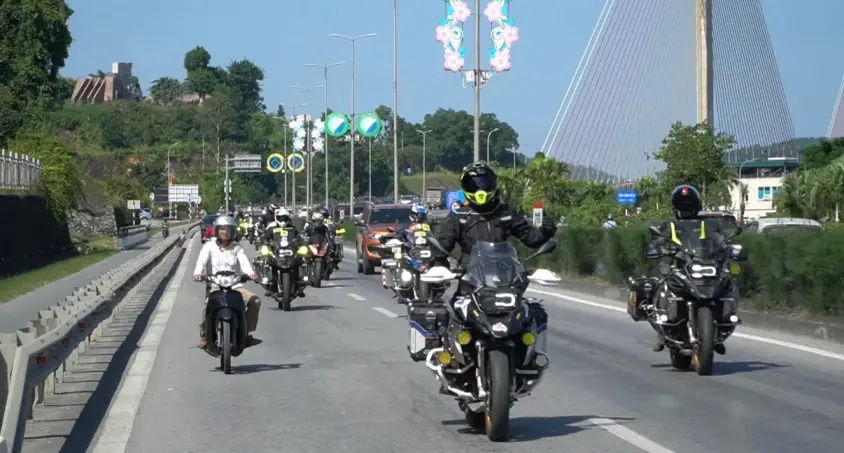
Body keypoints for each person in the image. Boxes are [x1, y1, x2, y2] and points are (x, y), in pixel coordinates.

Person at [646, 185, 730, 353]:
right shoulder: (668, 225)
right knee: (659, 285)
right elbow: (656, 241)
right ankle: (661, 331)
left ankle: (717, 329)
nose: (686, 209)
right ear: (676, 207)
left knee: (727, 285)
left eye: (689, 205)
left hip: (703, 264)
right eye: (682, 205)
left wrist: (727, 248)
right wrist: (656, 248)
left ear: (696, 206)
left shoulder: (709, 225)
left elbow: (721, 241)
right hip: (677, 266)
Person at [438, 161, 557, 263]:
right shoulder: (459, 216)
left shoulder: (505, 213)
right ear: (465, 187)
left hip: (504, 274)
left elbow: (531, 239)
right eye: (474, 185)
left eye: (484, 183)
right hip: (468, 275)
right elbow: (443, 244)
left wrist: (545, 231)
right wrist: (437, 264)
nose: (480, 190)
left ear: (493, 183)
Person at [193, 215, 262, 349]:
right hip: (215, 286)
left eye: (228, 230)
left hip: (235, 286)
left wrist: (251, 274)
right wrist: (198, 273)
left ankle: (246, 332)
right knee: (207, 306)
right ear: (217, 230)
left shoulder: (237, 248)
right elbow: (201, 261)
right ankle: (205, 334)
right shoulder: (209, 246)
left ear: (233, 231)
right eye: (222, 229)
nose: (225, 232)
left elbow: (244, 262)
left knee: (255, 301)